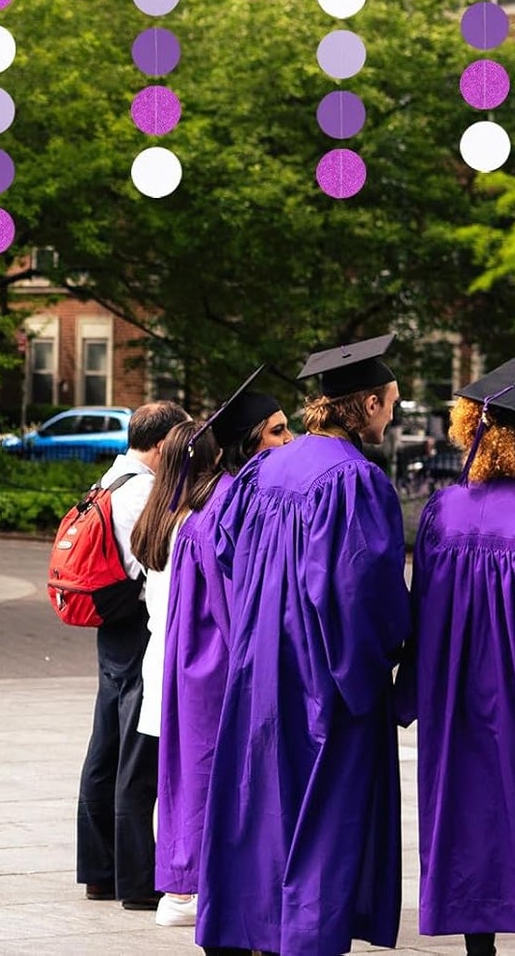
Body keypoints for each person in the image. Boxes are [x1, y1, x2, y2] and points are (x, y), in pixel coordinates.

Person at [196, 336, 410, 956]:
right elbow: (362, 589)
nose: (392, 414)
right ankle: (306, 936)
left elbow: (230, 550)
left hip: (258, 662)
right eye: (390, 402)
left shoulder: (264, 468)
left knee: (262, 796)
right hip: (325, 669)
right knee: (324, 806)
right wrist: (381, 663)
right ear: (366, 403)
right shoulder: (356, 481)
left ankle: (252, 927)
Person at [145, 381, 293, 929]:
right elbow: (237, 605)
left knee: (191, 768)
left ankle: (185, 883)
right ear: (248, 442)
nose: (288, 440)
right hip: (217, 660)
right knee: (211, 769)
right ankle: (196, 887)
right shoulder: (229, 504)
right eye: (277, 431)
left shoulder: (205, 501)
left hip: (192, 659)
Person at [397, 358, 515, 956]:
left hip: (453, 702)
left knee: (468, 816)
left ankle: (479, 947)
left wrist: (410, 695)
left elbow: (420, 610)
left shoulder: (443, 512)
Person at [77, 399, 190, 912]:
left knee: (105, 746)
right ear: (165, 442)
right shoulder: (144, 491)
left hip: (112, 625)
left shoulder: (113, 476)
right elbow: (160, 565)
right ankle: (136, 878)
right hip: (139, 625)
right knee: (137, 753)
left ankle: (100, 870)